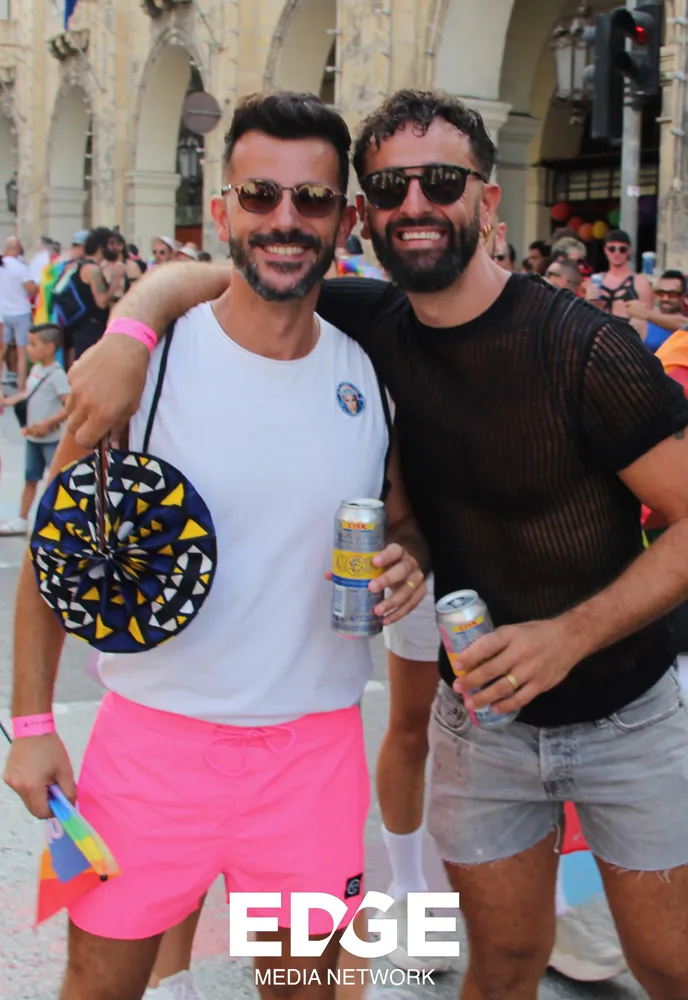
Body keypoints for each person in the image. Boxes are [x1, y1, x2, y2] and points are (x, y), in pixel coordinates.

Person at [68, 87, 688, 1000]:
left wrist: (569, 636)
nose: (415, 205)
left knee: (670, 965)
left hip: (626, 711)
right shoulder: (373, 328)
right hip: (482, 725)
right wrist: (129, 329)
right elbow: (239, 265)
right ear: (365, 213)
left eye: (441, 182)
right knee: (501, 966)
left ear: (487, 199)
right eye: (391, 187)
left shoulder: (585, 348)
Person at [4, 91, 427, 1000]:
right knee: (95, 986)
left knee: (309, 991)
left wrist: (409, 559)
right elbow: (51, 552)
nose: (286, 220)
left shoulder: (368, 374)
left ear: (346, 219)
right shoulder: (143, 366)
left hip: (313, 760)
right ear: (224, 209)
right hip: (144, 754)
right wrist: (33, 728)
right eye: (261, 195)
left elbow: (400, 520)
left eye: (312, 199)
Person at [0, 324, 70, 536]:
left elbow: (69, 405)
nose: (27, 348)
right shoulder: (36, 370)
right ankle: (22, 519)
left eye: (32, 344)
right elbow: (29, 394)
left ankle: (58, 521)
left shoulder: (57, 374)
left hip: (50, 439)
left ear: (49, 348)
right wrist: (9, 401)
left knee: (56, 480)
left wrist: (49, 422)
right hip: (33, 438)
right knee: (30, 478)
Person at [66, 227, 120, 361]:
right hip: (90, 329)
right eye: (111, 244)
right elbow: (101, 302)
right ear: (101, 246)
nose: (114, 248)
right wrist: (115, 282)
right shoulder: (93, 270)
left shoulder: (79, 265)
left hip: (80, 327)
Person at [587, 229, 653, 320]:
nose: (617, 253)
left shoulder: (640, 282)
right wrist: (588, 300)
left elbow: (649, 318)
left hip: (628, 327)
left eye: (622, 249)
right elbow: (586, 315)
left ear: (629, 251)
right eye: (612, 249)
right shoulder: (595, 280)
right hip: (600, 327)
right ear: (606, 250)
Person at [0, 235, 37, 390]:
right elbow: (32, 291)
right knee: (22, 352)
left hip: (2, 313)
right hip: (21, 312)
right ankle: (21, 388)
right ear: (18, 248)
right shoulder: (21, 267)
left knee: (2, 351)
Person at [627, 269, 688, 352]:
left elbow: (684, 324)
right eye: (661, 293)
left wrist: (645, 314)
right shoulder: (643, 322)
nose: (665, 298)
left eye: (672, 294)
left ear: (683, 296)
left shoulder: (646, 315)